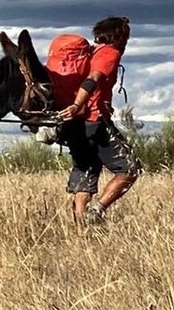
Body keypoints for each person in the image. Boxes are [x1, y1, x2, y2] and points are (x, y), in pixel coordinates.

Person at [56, 16, 141, 225]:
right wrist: (78, 104)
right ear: (120, 36)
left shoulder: (90, 53)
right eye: (126, 37)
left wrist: (77, 108)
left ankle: (80, 235)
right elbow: (92, 79)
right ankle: (96, 212)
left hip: (73, 125)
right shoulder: (109, 53)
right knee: (130, 168)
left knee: (85, 173)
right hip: (93, 121)